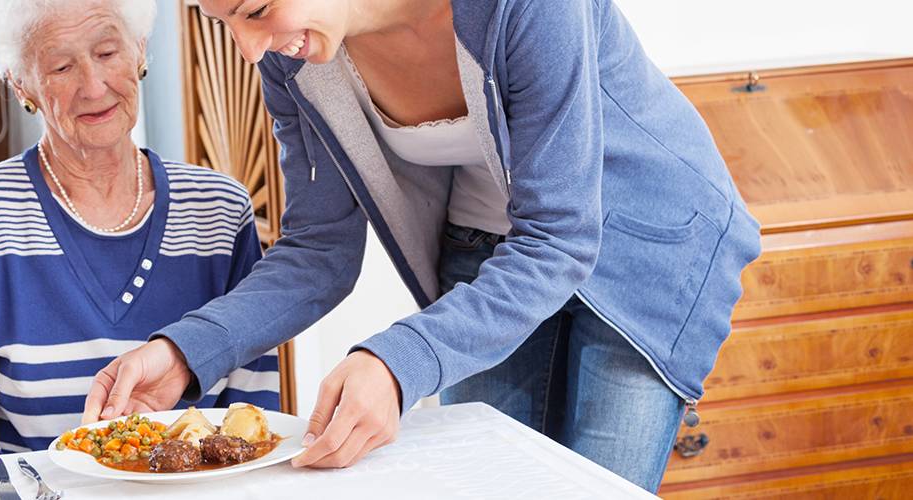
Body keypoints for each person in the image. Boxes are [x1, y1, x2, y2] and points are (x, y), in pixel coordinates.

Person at [82, 0, 762, 491]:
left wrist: (397, 359)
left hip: (641, 249)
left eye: (254, 10)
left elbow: (559, 237)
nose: (248, 47)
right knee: (491, 483)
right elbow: (320, 247)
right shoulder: (295, 60)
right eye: (219, 19)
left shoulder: (525, 8)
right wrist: (185, 350)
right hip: (491, 258)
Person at [0, 0, 280, 454]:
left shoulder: (220, 209)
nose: (93, 86)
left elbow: (254, 420)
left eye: (108, 53)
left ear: (140, 50)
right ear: (20, 84)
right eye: (61, 66)